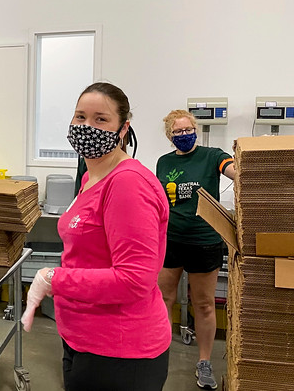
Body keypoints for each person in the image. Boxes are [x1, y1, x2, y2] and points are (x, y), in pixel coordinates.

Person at [21, 82, 171, 391]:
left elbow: (134, 279)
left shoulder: (127, 183)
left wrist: (54, 278)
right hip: (82, 340)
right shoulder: (92, 177)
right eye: (80, 117)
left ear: (123, 128)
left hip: (119, 352)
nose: (87, 127)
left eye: (100, 119)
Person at [156, 109, 235, 390]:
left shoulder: (212, 156)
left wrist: (254, 167)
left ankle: (204, 362)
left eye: (188, 129)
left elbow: (234, 170)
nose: (184, 134)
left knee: (203, 304)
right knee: (164, 299)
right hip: (172, 239)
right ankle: (159, 352)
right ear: (169, 135)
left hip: (205, 241)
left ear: (196, 130)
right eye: (177, 131)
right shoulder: (163, 163)